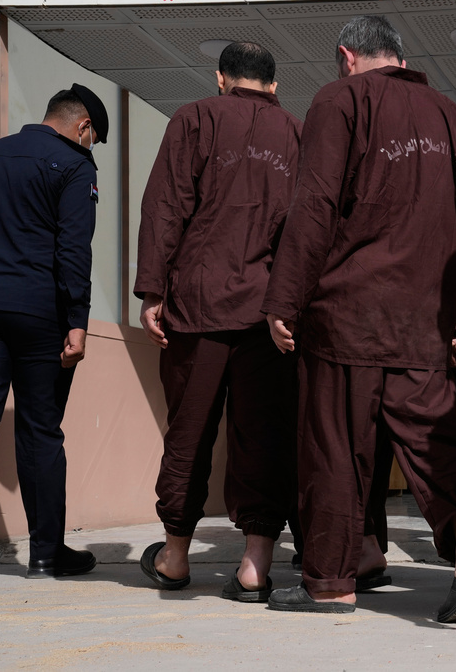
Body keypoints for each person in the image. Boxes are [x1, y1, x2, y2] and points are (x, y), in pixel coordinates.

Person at [261, 15, 456, 622]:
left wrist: (283, 299)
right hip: (425, 317)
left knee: (335, 449)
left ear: (347, 56)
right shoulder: (447, 112)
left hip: (348, 314)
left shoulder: (338, 100)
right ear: (399, 56)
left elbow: (315, 203)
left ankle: (331, 584)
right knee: (434, 440)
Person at [134, 42, 301, 601]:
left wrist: (152, 289)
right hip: (268, 314)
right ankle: (255, 565)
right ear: (273, 86)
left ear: (222, 77)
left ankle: (177, 558)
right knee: (264, 435)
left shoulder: (194, 119)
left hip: (198, 306)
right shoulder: (296, 135)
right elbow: (311, 226)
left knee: (189, 431)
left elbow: (165, 206)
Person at [0, 83, 108, 578]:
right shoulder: (75, 166)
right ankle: (45, 555)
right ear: (82, 127)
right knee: (39, 432)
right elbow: (75, 249)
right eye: (93, 137)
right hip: (39, 316)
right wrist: (77, 320)